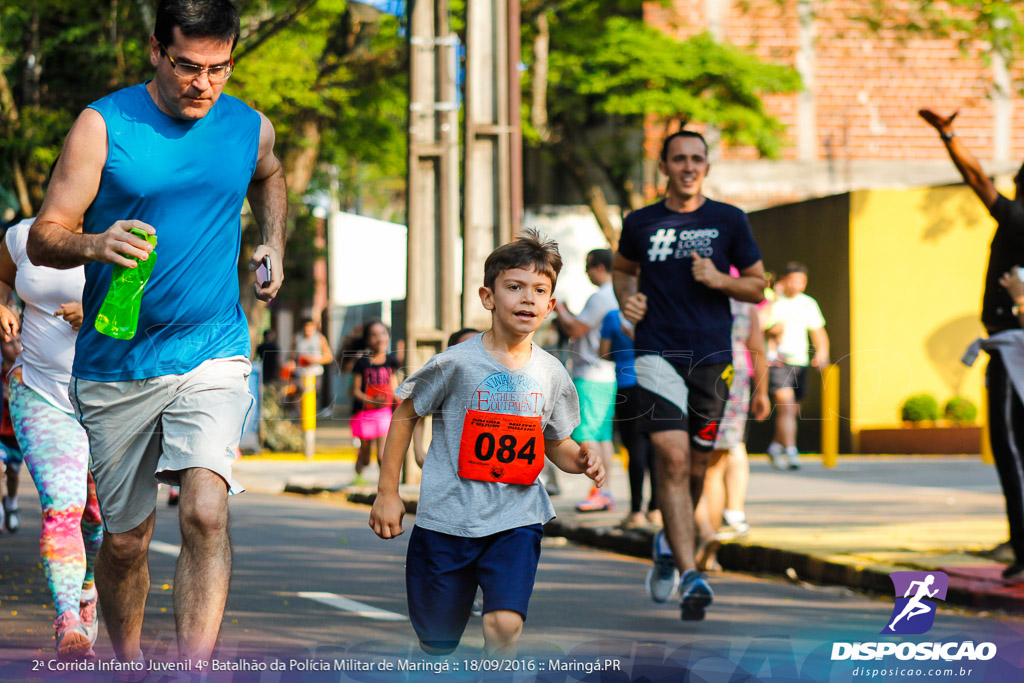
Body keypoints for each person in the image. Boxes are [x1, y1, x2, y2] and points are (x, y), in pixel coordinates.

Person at [28, 0, 285, 667]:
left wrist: (273, 240)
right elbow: (43, 234)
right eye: (189, 66)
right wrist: (94, 242)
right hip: (116, 362)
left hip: (212, 348)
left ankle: (193, 668)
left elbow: (271, 173)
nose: (204, 83)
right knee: (125, 542)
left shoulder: (248, 127)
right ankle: (129, 660)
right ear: (155, 51)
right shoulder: (103, 125)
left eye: (220, 68)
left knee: (205, 508)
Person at [369, 229, 605, 656]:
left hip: (516, 518)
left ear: (551, 306)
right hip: (446, 520)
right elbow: (405, 413)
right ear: (488, 297)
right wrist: (388, 493)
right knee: (437, 642)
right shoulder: (454, 363)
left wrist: (582, 459)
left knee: (503, 625)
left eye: (539, 290)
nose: (527, 299)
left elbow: (557, 442)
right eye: (514, 287)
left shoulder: (552, 373)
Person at [613, 130, 765, 621]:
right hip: (657, 350)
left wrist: (720, 280)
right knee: (672, 457)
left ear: (707, 166)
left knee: (698, 465)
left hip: (712, 357)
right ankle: (689, 572)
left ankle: (667, 540)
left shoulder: (729, 220)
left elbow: (758, 283)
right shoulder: (640, 221)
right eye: (678, 158)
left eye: (696, 159)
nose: (688, 166)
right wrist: (626, 299)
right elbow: (622, 269)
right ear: (664, 166)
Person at [923, 106, 1024, 582]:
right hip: (1008, 343)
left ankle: (1023, 550)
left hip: (1014, 349)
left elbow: (976, 177)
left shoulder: (1017, 219)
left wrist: (949, 135)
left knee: (1011, 448)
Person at [0, 217, 102, 660]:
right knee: (62, 507)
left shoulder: (129, 229)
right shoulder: (23, 235)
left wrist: (98, 312)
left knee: (99, 518)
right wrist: (1, 304)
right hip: (38, 390)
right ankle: (67, 619)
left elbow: (164, 304)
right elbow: (0, 276)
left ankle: (86, 587)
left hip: (108, 399)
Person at [694, 291, 770, 571]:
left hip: (701, 372)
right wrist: (762, 393)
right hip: (737, 376)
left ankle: (702, 534)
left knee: (692, 467)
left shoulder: (696, 293)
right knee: (716, 468)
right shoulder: (744, 300)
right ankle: (710, 549)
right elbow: (758, 348)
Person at [554, 249, 619, 512]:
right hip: (607, 373)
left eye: (588, 267)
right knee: (602, 436)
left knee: (587, 435)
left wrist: (558, 308)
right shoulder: (617, 295)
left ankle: (598, 491)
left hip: (590, 373)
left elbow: (575, 329)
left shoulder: (601, 297)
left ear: (600, 268)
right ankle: (604, 491)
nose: (586, 272)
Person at [764, 262, 829, 470]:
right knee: (786, 407)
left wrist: (822, 353)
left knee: (792, 410)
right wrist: (772, 331)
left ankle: (775, 446)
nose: (796, 285)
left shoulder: (808, 304)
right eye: (792, 280)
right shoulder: (772, 302)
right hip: (777, 363)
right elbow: (759, 328)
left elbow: (818, 331)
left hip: (800, 363)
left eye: (801, 281)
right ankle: (791, 452)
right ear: (783, 280)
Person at [598, 308, 659, 528]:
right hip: (656, 385)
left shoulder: (613, 316)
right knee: (655, 446)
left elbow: (602, 352)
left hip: (627, 387)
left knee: (635, 448)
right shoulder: (656, 312)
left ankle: (636, 512)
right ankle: (656, 509)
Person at [350, 320, 400, 485]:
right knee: (366, 459)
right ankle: (359, 465)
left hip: (384, 413)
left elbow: (394, 388)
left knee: (381, 456)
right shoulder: (362, 363)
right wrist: (371, 400)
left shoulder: (391, 361)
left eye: (383, 334)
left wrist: (399, 399)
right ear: (367, 340)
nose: (380, 338)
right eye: (374, 335)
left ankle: (385, 489)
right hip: (364, 413)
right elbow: (354, 391)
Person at [0, 335, 24, 534]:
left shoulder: (24, 372)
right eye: (9, 342)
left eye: (19, 341)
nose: (16, 347)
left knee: (13, 475)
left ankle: (12, 503)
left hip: (15, 434)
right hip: (0, 431)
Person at [293, 318, 334, 413]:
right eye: (306, 328)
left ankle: (312, 415)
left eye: (310, 328)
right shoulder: (297, 338)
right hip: (301, 372)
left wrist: (315, 360)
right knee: (300, 393)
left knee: (314, 394)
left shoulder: (320, 339)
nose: (308, 331)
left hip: (315, 372)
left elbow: (329, 357)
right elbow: (292, 355)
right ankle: (301, 414)